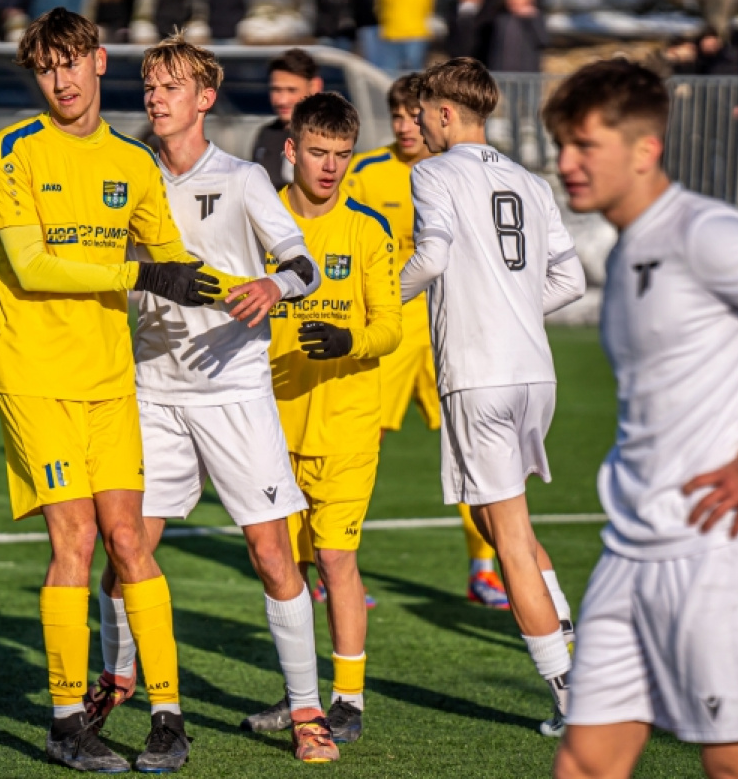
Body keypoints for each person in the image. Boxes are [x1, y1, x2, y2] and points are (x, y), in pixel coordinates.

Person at [0, 7, 241, 773]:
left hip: (109, 384)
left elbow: (175, 263)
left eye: (72, 62)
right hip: (35, 380)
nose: (61, 80)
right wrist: (138, 272)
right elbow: (34, 268)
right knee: (74, 540)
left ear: (100, 62)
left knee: (131, 540)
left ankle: (168, 714)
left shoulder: (133, 165)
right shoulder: (11, 153)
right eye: (46, 68)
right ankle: (67, 721)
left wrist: (262, 289)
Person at [83, 34, 339, 764]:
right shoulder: (128, 173)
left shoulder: (244, 178)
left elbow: (302, 264)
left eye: (171, 87)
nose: (156, 97)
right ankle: (119, 674)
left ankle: (306, 709)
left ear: (205, 98)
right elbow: (112, 261)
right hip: (153, 390)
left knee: (270, 551)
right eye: (150, 85)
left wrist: (271, 285)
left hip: (233, 390)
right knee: (125, 545)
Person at [543, 58, 738, 779]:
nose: (566, 163)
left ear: (645, 150)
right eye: (563, 144)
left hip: (717, 553)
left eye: (585, 146)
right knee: (587, 763)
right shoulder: (628, 252)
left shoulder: (703, 231)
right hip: (631, 550)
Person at [400, 56, 585, 735]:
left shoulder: (432, 172)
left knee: (504, 537)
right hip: (534, 373)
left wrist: (373, 305)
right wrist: (513, 305)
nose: (417, 122)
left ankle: (572, 699)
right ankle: (572, 644)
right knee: (501, 519)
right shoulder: (530, 182)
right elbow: (571, 280)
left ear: (448, 112)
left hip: (479, 374)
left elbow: (433, 258)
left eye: (423, 111)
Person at [242, 91, 402, 743]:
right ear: (291, 150)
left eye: (342, 155)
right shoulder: (262, 221)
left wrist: (350, 341)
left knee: (336, 561)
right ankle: (300, 696)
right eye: (318, 153)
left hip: (345, 424)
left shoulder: (368, 229)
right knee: (285, 569)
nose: (330, 167)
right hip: (269, 425)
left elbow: (389, 325)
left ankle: (349, 701)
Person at [342, 73, 510, 609]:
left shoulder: (464, 172)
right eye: (396, 116)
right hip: (389, 330)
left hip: (448, 331)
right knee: (360, 445)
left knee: (472, 446)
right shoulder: (367, 173)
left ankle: (484, 568)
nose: (405, 126)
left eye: (413, 115)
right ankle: (334, 564)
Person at [250, 48, 323, 190]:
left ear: (315, 86)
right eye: (276, 90)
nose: (282, 100)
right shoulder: (266, 134)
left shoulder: (330, 135)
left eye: (291, 90)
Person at [375, 0, 434, 72]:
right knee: (413, 76)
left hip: (398, 33)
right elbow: (428, 8)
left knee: (391, 75)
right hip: (412, 33)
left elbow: (380, 6)